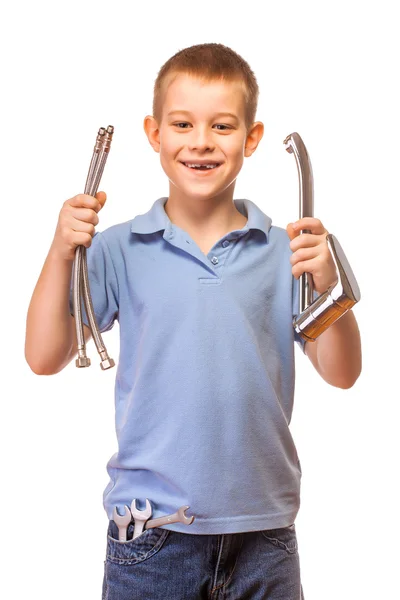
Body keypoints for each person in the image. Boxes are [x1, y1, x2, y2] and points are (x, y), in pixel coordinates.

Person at [25, 43, 362, 600]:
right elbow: (43, 356)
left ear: (251, 139)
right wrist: (62, 249)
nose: (201, 141)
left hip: (265, 536)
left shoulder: (285, 254)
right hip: (151, 538)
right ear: (154, 134)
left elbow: (343, 371)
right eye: (182, 124)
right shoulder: (119, 249)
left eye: (222, 125)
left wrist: (329, 285)